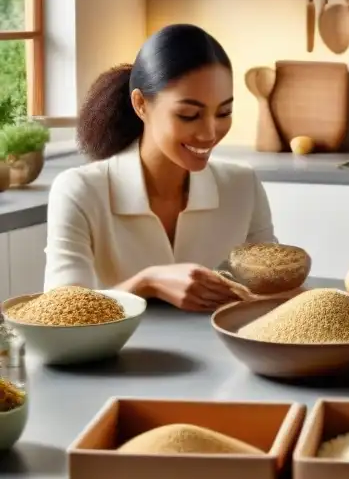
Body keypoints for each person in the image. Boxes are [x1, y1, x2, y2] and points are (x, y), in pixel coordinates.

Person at [43, 23, 276, 311]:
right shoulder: (80, 190)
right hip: (115, 354)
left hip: (225, 353)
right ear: (141, 104)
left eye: (224, 112)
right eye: (189, 115)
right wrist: (146, 283)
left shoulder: (241, 184)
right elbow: (59, 311)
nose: (209, 133)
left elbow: (273, 289)